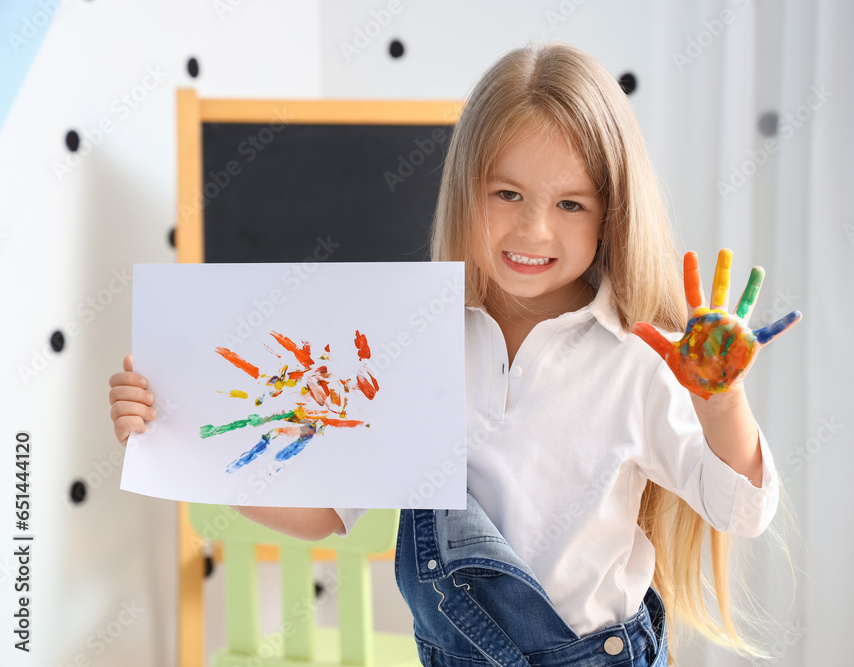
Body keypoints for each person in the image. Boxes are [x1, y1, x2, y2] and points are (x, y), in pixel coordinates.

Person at [109, 40, 800, 666]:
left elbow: (744, 511)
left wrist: (720, 401)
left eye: (570, 204)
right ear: (468, 186)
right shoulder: (416, 343)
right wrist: (181, 446)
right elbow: (329, 510)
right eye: (508, 193)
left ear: (611, 212)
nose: (533, 226)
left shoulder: (639, 360)